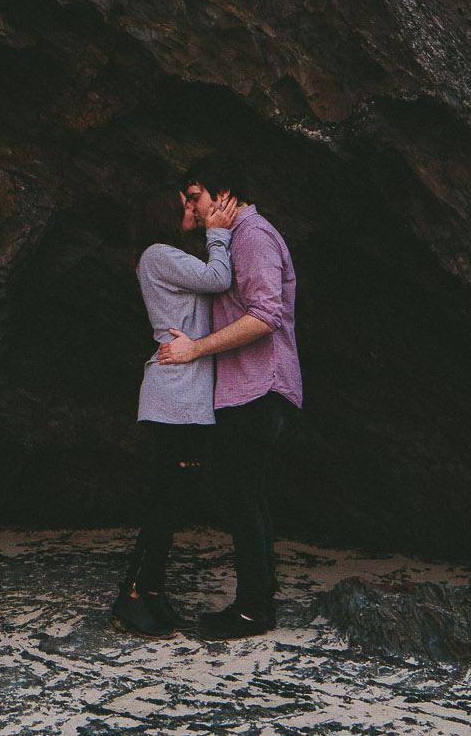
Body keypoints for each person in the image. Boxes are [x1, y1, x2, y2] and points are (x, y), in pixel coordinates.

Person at [156, 154, 302, 639]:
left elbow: (265, 315)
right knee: (249, 498)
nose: (192, 209)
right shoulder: (235, 240)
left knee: (241, 499)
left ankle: (252, 611)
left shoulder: (253, 237)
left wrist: (195, 348)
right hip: (250, 388)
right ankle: (257, 605)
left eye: (195, 197)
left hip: (257, 387)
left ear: (223, 196)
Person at [112, 184, 239, 637]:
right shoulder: (157, 253)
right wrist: (219, 234)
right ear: (161, 213)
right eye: (182, 203)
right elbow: (219, 279)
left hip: (188, 393)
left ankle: (151, 592)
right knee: (167, 501)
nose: (192, 207)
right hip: (174, 394)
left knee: (179, 500)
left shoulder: (166, 255)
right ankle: (131, 595)